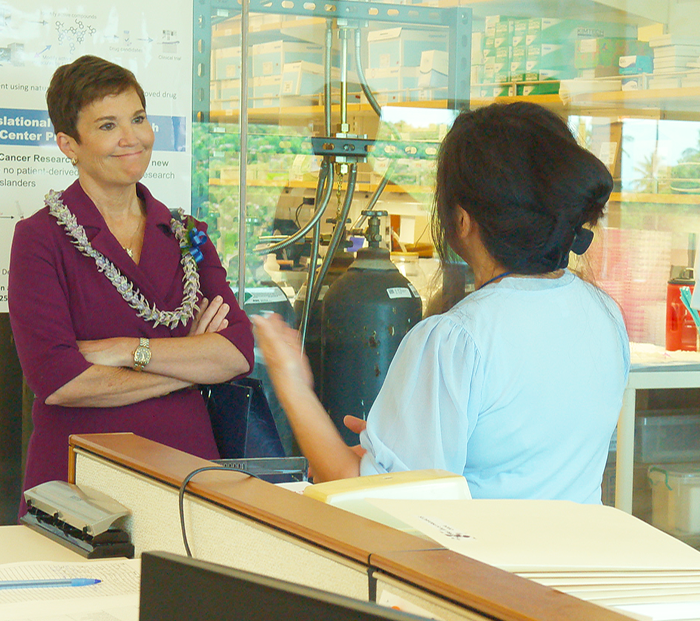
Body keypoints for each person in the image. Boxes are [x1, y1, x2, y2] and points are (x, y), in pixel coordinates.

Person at [254, 102, 629, 502]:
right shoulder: (604, 314)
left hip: (479, 561)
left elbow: (370, 499)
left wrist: (290, 378)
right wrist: (394, 447)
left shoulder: (456, 338)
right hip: (572, 560)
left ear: (462, 221)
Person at [9, 55, 253, 497]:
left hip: (187, 474)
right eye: (107, 126)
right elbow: (60, 381)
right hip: (80, 478)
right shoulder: (39, 239)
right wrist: (193, 364)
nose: (131, 138)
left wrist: (125, 351)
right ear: (69, 144)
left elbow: (236, 353)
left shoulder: (186, 234)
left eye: (138, 119)